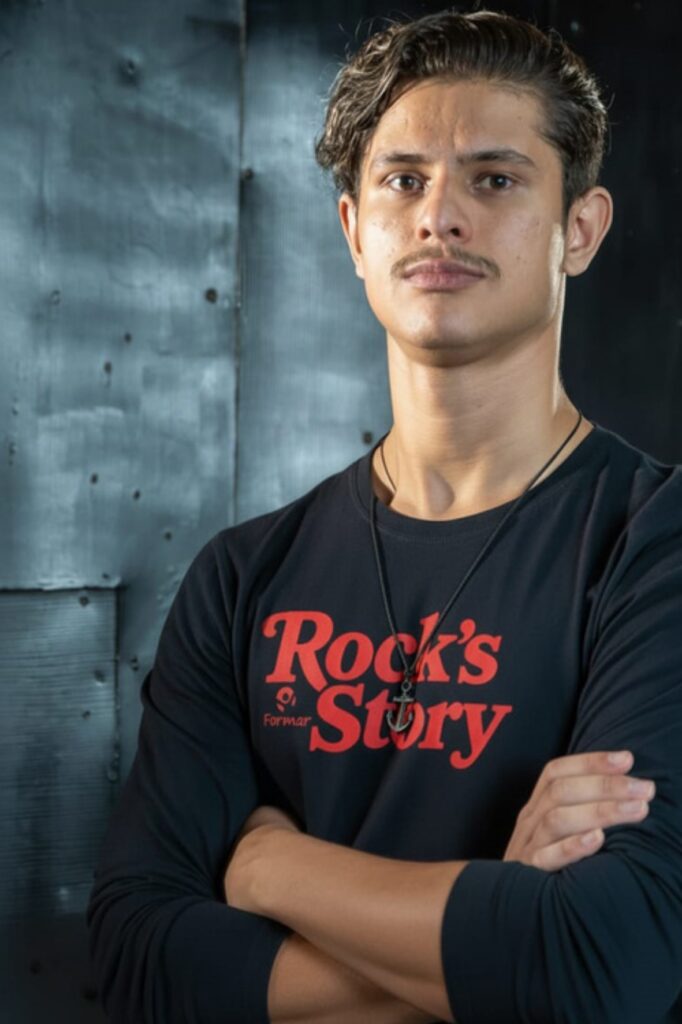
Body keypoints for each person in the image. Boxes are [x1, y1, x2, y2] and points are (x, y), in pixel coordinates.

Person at [86, 8, 682, 1023]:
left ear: (576, 230)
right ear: (355, 231)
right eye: (403, 179)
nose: (438, 216)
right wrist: (491, 929)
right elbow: (139, 960)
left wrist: (270, 866)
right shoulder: (242, 578)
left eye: (493, 179)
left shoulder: (651, 543)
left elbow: (601, 963)